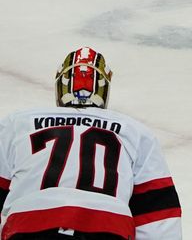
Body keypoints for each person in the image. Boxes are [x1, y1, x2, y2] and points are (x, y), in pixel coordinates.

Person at [0, 47, 181, 240]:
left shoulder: (17, 123)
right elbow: (158, 216)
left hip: (30, 222)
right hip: (107, 225)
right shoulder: (136, 132)